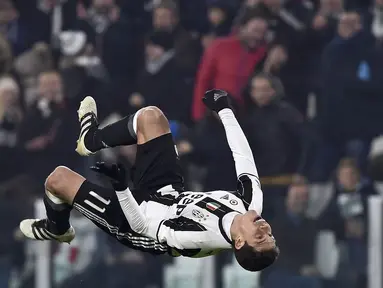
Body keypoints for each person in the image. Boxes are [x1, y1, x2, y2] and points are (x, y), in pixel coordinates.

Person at [19, 89, 279, 271]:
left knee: (58, 179)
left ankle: (57, 229)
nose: (265, 229)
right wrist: (225, 110)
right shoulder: (251, 204)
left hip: (134, 221)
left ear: (240, 242)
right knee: (151, 117)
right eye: (270, 236)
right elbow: (243, 157)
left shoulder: (199, 237)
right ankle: (90, 140)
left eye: (260, 237)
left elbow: (142, 227)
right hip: (166, 192)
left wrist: (121, 188)